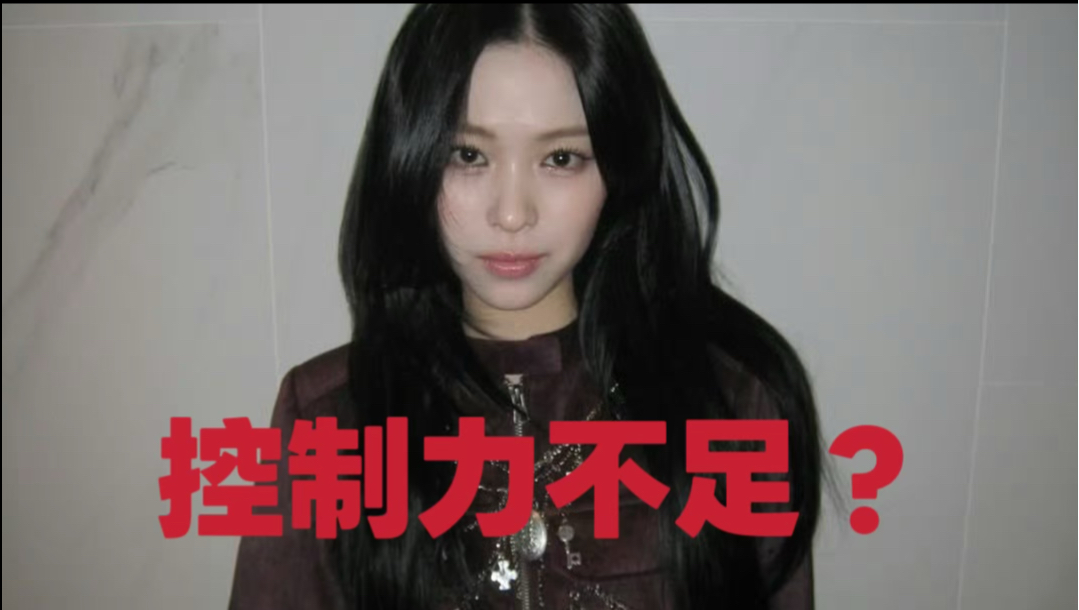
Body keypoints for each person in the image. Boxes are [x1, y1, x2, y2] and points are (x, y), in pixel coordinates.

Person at [229, 4, 823, 609]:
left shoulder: (732, 402)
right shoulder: (328, 419)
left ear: (620, 169)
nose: (512, 214)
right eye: (468, 155)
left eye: (561, 158)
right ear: (410, 161)